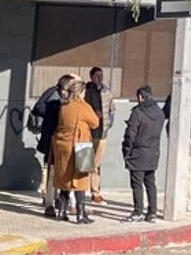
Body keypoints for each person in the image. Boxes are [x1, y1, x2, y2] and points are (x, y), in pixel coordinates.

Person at [53, 74, 102, 224]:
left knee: (65, 178)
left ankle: (61, 211)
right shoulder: (83, 107)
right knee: (81, 180)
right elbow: (95, 123)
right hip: (81, 146)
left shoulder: (64, 107)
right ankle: (81, 214)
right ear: (80, 92)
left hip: (63, 146)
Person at [120, 85, 167, 222]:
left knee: (137, 183)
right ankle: (152, 212)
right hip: (153, 152)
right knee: (150, 183)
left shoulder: (138, 112)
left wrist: (126, 151)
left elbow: (130, 134)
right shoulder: (159, 113)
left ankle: (138, 211)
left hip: (138, 152)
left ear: (140, 97)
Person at [29, 77, 65, 217]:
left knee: (55, 169)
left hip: (57, 137)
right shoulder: (52, 94)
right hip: (50, 136)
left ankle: (55, 197)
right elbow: (39, 107)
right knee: (49, 168)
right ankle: (47, 196)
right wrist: (55, 112)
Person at [83, 66, 115, 205]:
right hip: (88, 133)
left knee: (97, 164)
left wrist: (109, 123)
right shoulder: (85, 92)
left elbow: (112, 109)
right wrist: (93, 114)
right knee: (84, 162)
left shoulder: (107, 92)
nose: (100, 78)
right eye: (97, 75)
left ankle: (95, 192)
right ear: (91, 77)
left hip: (102, 133)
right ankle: (80, 192)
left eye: (101, 75)